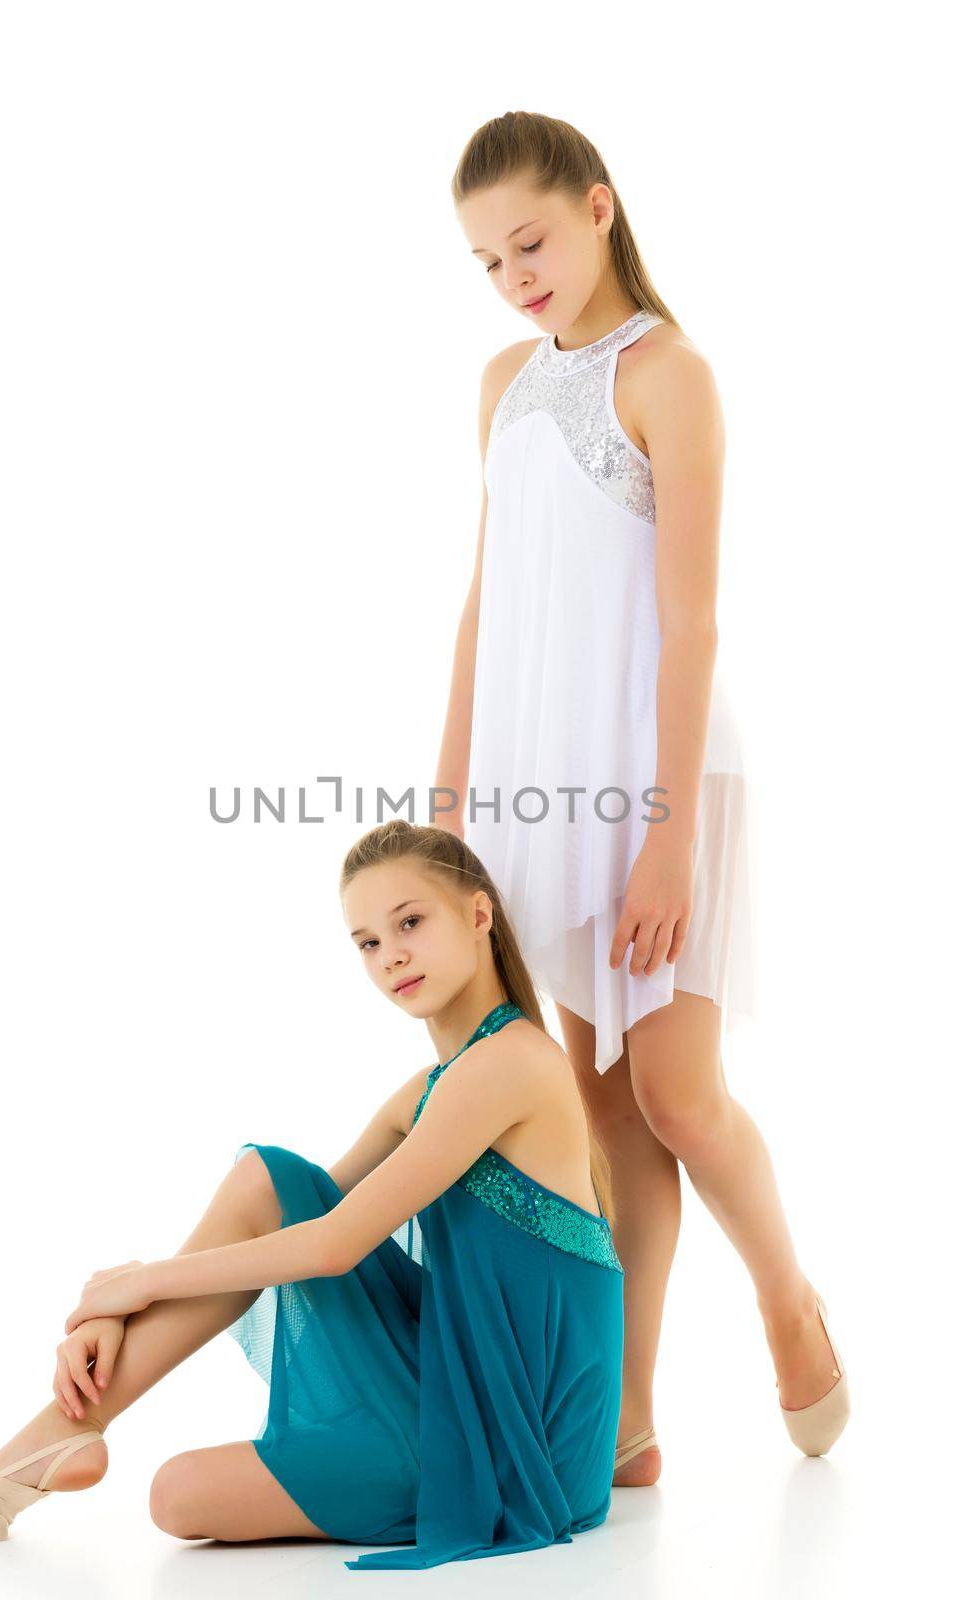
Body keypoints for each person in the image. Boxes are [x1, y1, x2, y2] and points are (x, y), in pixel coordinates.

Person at [435, 110, 849, 1483]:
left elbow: (689, 628)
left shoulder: (668, 375)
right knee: (602, 1107)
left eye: (532, 242)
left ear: (600, 209)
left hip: (661, 775)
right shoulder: (500, 377)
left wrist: (665, 842)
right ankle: (630, 1415)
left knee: (674, 1094)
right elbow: (487, 604)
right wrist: (449, 797)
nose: (514, 276)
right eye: (489, 259)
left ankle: (786, 1299)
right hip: (535, 778)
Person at [0, 820, 625, 1570]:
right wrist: (121, 1310)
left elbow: (333, 1246)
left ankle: (60, 1429)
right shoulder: (430, 1091)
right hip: (454, 1386)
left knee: (176, 1494)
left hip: (516, 1449)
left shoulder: (509, 1065)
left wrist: (136, 1282)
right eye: (368, 943)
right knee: (265, 1176)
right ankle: (66, 1429)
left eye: (410, 921)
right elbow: (274, 1220)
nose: (391, 956)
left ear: (478, 915)